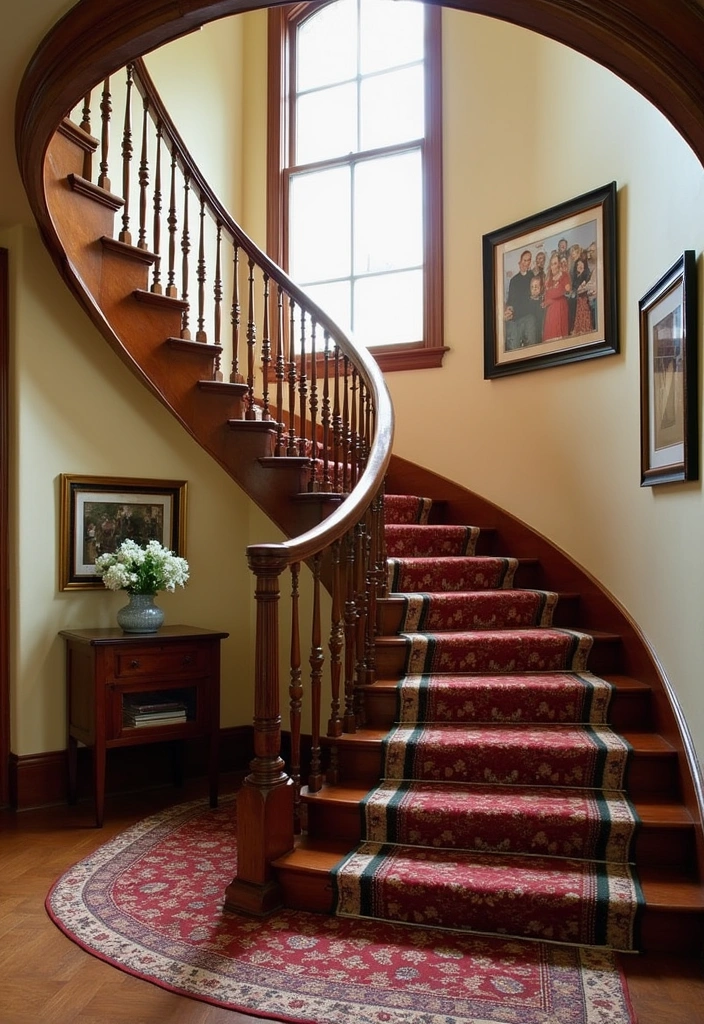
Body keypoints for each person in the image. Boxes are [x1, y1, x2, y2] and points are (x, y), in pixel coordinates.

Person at [503, 250, 537, 350]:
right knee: (514, 347)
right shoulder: (514, 280)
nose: (525, 263)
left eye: (528, 260)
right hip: (515, 318)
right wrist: (509, 310)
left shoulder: (532, 277)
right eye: (524, 260)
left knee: (531, 345)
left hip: (528, 316)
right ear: (520, 262)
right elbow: (511, 301)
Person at [542, 252, 571, 341]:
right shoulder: (549, 279)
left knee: (560, 338)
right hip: (550, 311)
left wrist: (553, 297)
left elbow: (567, 290)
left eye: (555, 263)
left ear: (559, 264)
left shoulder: (564, 275)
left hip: (560, 308)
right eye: (551, 264)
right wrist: (549, 300)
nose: (553, 266)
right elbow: (547, 295)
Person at [571, 254, 593, 335]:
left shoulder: (586, 274)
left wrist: (581, 287)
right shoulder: (576, 277)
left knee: (584, 313)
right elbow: (575, 288)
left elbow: (583, 286)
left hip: (584, 298)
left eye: (581, 264)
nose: (579, 266)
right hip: (578, 299)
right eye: (578, 265)